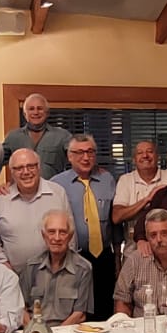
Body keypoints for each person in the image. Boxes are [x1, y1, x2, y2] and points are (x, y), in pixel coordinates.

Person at [50, 133, 116, 318]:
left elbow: (114, 220)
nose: (86, 157)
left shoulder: (107, 179)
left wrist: (118, 256)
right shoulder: (57, 184)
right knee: (77, 311)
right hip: (73, 258)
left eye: (90, 152)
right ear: (69, 156)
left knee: (104, 309)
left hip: (104, 257)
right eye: (79, 153)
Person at [0, 148, 72, 270]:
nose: (26, 172)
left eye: (31, 166)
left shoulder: (58, 193)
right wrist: (4, 267)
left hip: (55, 274)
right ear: (12, 172)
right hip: (13, 275)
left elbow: (70, 235)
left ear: (39, 167)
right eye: (19, 168)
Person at [19, 209, 93, 326]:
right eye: (51, 232)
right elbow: (21, 308)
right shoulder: (31, 267)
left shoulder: (83, 268)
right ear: (44, 235)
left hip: (66, 331)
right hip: (34, 331)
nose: (57, 238)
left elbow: (79, 314)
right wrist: (33, 331)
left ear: (70, 236)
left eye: (62, 232)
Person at [111, 139, 167, 245]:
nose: (145, 156)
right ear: (134, 160)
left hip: (166, 244)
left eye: (150, 151)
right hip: (133, 245)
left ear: (157, 157)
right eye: (140, 153)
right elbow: (116, 217)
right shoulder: (125, 180)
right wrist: (147, 199)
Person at [1, 93, 72, 179]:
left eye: (40, 108)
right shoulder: (13, 137)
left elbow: (78, 158)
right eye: (31, 109)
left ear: (47, 113)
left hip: (53, 186)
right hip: (21, 187)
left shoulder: (62, 136)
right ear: (25, 114)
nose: (36, 112)